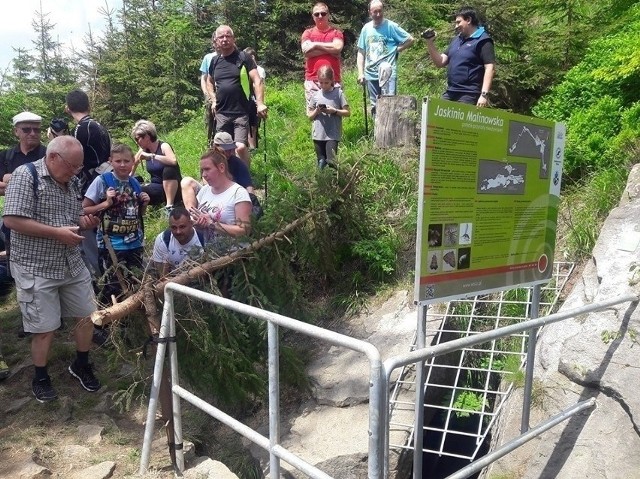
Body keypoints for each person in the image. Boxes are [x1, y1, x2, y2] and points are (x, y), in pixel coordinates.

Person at [3, 136, 102, 402]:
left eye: (79, 167)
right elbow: (12, 219)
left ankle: (81, 364)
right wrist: (55, 233)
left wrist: (86, 222)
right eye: (72, 166)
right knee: (44, 328)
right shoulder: (26, 176)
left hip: (71, 262)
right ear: (54, 158)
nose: (75, 172)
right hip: (35, 266)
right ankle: (41, 376)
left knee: (87, 315)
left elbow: (72, 220)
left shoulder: (72, 180)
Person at [83, 144, 150, 304]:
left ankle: (133, 321)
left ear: (133, 161)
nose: (122, 165)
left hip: (134, 243)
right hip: (110, 245)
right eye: (118, 161)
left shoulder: (134, 182)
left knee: (135, 282)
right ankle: (112, 324)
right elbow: (85, 209)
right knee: (112, 287)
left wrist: (145, 204)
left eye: (126, 161)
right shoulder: (102, 181)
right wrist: (106, 203)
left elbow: (138, 214)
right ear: (110, 161)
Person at [65, 89, 112, 279]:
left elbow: (77, 161)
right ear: (88, 105)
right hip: (106, 179)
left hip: (90, 186)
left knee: (88, 228)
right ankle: (112, 273)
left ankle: (101, 276)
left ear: (68, 108)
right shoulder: (100, 126)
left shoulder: (80, 129)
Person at [208, 25, 268, 166]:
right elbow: (209, 81)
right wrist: (213, 99)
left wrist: (260, 103)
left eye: (228, 36)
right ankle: (226, 178)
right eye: (221, 37)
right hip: (222, 113)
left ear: (233, 39)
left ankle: (245, 178)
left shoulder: (243, 57)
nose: (224, 39)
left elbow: (257, 80)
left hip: (241, 112)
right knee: (221, 149)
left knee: (240, 147)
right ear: (216, 41)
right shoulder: (215, 61)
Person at [424, 6, 495, 106]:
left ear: (469, 20)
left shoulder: (483, 40)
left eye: (458, 22)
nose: (456, 26)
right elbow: (440, 62)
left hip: (469, 94)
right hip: (451, 92)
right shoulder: (457, 40)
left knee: (459, 122)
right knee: (436, 116)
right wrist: (429, 42)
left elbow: (490, 68)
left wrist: (484, 95)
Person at [357, 0, 414, 116]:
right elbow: (361, 52)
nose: (378, 14)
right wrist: (360, 73)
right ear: (369, 13)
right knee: (374, 106)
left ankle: (390, 133)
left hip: (388, 74)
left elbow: (410, 39)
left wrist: (396, 50)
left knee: (389, 105)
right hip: (371, 74)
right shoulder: (366, 29)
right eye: (375, 12)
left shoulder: (391, 26)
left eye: (380, 11)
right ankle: (377, 133)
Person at [189, 148, 252, 252]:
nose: (203, 174)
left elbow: (245, 231)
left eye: (207, 169)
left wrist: (212, 224)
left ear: (221, 168)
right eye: (202, 170)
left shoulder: (238, 193)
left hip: (234, 254)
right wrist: (197, 222)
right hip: (209, 253)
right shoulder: (204, 191)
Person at [182, 132, 255, 211]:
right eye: (226, 149)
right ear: (215, 147)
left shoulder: (237, 163)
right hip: (209, 192)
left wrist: (252, 202)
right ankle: (191, 215)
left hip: (230, 196)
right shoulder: (207, 160)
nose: (229, 152)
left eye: (231, 149)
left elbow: (249, 187)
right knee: (186, 182)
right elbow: (206, 183)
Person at [131, 119, 182, 211]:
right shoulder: (143, 150)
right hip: (156, 187)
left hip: (173, 187)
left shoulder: (163, 146)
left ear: (147, 136)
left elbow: (173, 161)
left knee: (169, 168)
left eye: (138, 138)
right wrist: (127, 179)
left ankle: (169, 206)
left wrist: (151, 156)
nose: (136, 142)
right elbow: (132, 165)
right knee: (136, 187)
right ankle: (139, 213)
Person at [301, 3, 344, 107]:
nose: (320, 16)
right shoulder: (308, 33)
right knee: (314, 113)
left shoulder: (336, 32)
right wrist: (331, 50)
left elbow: (337, 48)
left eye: (323, 13)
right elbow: (306, 51)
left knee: (334, 112)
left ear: (328, 15)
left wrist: (315, 44)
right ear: (313, 17)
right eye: (317, 14)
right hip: (313, 80)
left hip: (333, 80)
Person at [307, 65, 350, 169]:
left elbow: (347, 112)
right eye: (320, 83)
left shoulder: (338, 94)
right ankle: (321, 182)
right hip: (318, 134)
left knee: (331, 161)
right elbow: (309, 116)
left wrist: (334, 111)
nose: (323, 85)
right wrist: (317, 111)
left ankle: (334, 182)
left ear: (332, 80)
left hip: (332, 134)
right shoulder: (316, 95)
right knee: (321, 161)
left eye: (326, 82)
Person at [0, 111, 47, 196]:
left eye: (36, 130)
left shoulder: (49, 155)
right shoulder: (5, 156)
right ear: (16, 131)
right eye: (26, 130)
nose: (32, 133)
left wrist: (12, 179)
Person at [151, 207, 205, 276]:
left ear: (191, 223)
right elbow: (162, 275)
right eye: (174, 227)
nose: (178, 232)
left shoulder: (203, 239)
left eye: (182, 227)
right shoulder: (163, 240)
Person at [243, 47, 265, 150]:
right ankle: (249, 146)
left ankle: (254, 147)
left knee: (254, 124)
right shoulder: (243, 68)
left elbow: (260, 84)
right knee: (247, 124)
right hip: (246, 99)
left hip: (255, 99)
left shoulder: (259, 70)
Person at [200, 32, 218, 147]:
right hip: (211, 94)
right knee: (211, 120)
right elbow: (204, 77)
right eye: (216, 40)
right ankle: (210, 145)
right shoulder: (208, 57)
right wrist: (206, 94)